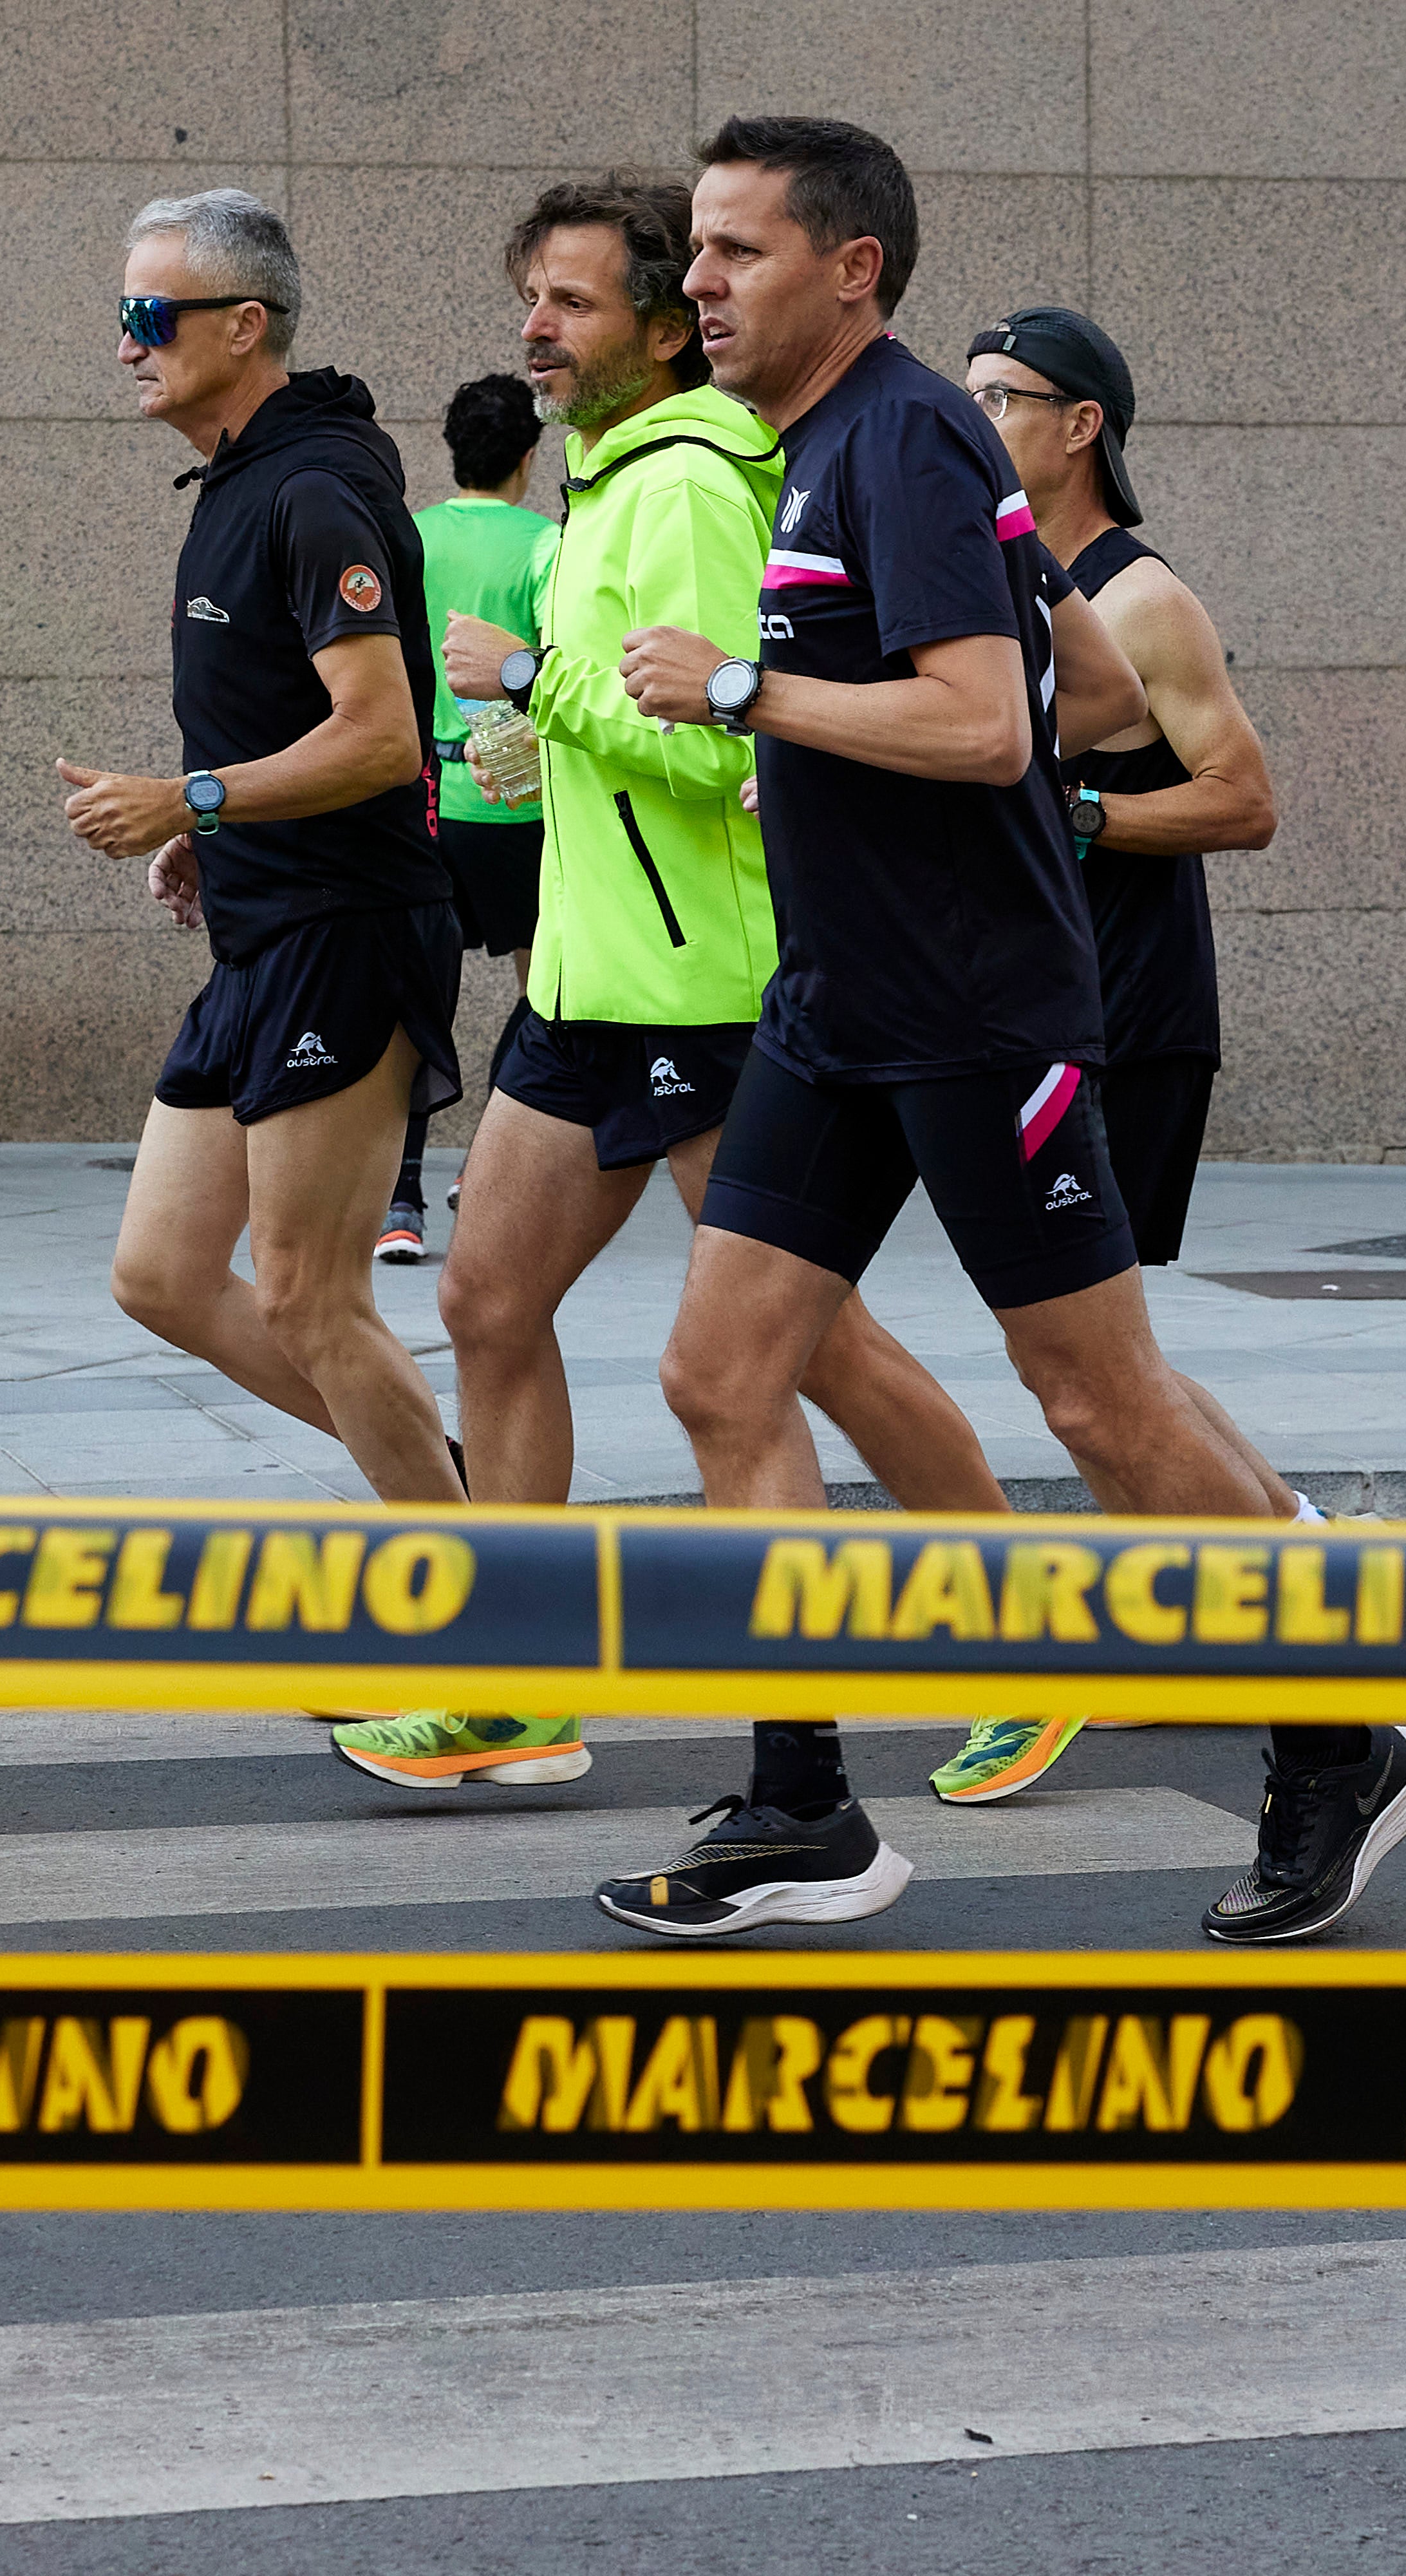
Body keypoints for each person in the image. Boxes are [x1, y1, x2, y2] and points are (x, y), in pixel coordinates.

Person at [600, 115, 1406, 1946]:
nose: (698, 284)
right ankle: (801, 1809)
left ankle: (1336, 1740)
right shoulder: (844, 445)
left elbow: (987, 726)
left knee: (1097, 1404)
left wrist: (746, 691)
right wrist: (851, 781)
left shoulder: (897, 433)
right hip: (836, 1006)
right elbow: (1095, 684)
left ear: (851, 271)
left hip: (977, 1015)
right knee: (719, 1376)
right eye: (695, 251)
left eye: (738, 251)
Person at [326, 173, 1117, 1799]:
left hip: (706, 981)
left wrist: (533, 680)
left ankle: (1025, 1647)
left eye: (572, 301)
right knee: (484, 1302)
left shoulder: (692, 482)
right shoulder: (605, 483)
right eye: (531, 298)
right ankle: (514, 1685)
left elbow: (716, 743)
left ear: (654, 333)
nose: (536, 329)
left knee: (806, 1351)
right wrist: (543, 725)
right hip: (586, 979)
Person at [927, 306, 1304, 1799]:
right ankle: (1281, 1571)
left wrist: (1076, 812)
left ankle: (1259, 1619)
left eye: (999, 399)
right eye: (963, 395)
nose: (972, 420)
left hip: (1128, 1012)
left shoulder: (1138, 598)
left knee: (1088, 1366)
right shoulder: (1001, 575)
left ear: (1078, 425)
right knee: (1098, 1357)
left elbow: (1242, 799)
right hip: (1035, 1007)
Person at [61, 187, 465, 1508]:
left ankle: (478, 1586)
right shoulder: (241, 478)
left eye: (149, 314)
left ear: (243, 325)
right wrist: (218, 824)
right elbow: (284, 719)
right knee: (163, 1276)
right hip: (262, 930)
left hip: (345, 932)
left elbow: (380, 738)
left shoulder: (312, 488)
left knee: (309, 1295)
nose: (127, 342)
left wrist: (193, 799)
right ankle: (453, 1489)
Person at [376, 372, 561, 1264]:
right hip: (517, 803)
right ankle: (488, 1161)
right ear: (530, 454)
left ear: (453, 452)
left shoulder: (407, 537)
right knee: (549, 986)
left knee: (419, 1004)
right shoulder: (547, 543)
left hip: (423, 803)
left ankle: (399, 1200)